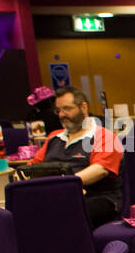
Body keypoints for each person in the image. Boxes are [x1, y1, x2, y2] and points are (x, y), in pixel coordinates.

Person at [31, 87, 124, 228]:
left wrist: (64, 184)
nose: (61, 114)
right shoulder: (53, 137)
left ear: (83, 107)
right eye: (58, 110)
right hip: (53, 195)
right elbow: (32, 167)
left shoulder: (104, 136)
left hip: (96, 198)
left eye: (67, 109)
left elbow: (100, 170)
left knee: (62, 212)